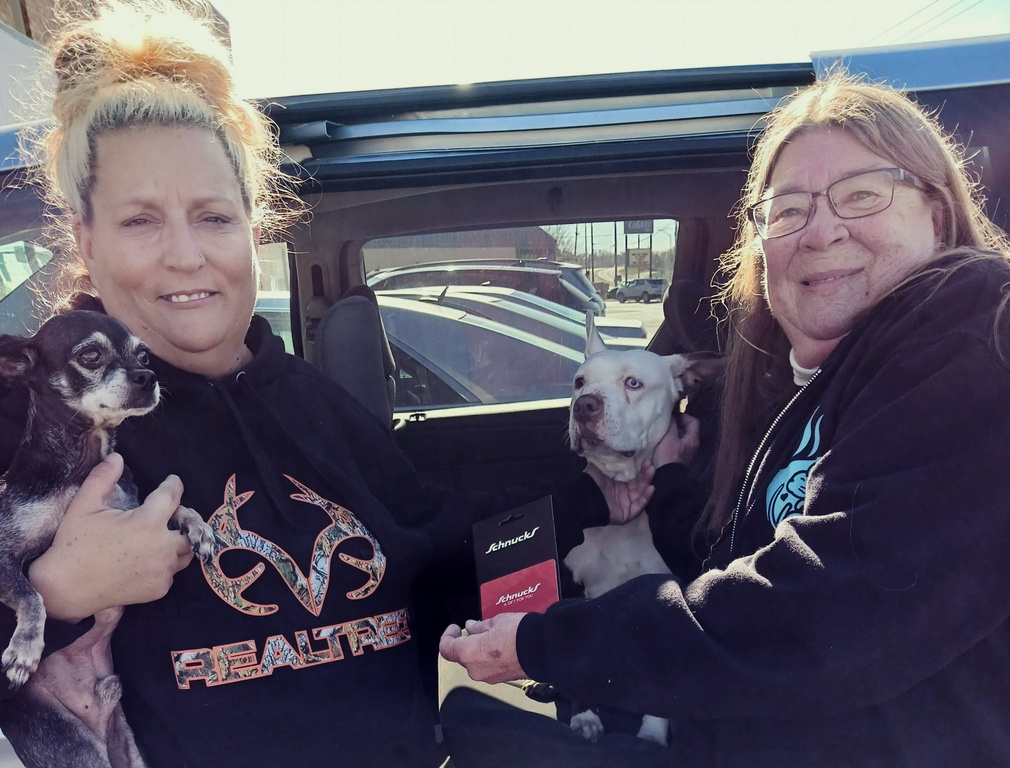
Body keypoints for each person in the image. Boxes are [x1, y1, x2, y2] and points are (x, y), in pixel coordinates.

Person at [0, 1, 668, 766]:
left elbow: (435, 539)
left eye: (213, 218)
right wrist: (59, 594)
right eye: (141, 221)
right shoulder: (33, 420)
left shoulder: (312, 402)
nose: (185, 255)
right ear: (85, 238)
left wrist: (599, 497)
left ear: (253, 229)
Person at [439, 74, 1010, 767]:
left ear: (938, 216)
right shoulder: (817, 389)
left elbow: (821, 612)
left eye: (863, 194)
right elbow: (742, 569)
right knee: (464, 721)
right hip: (733, 733)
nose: (822, 231)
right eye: (789, 210)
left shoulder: (983, 344)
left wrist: (541, 645)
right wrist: (671, 486)